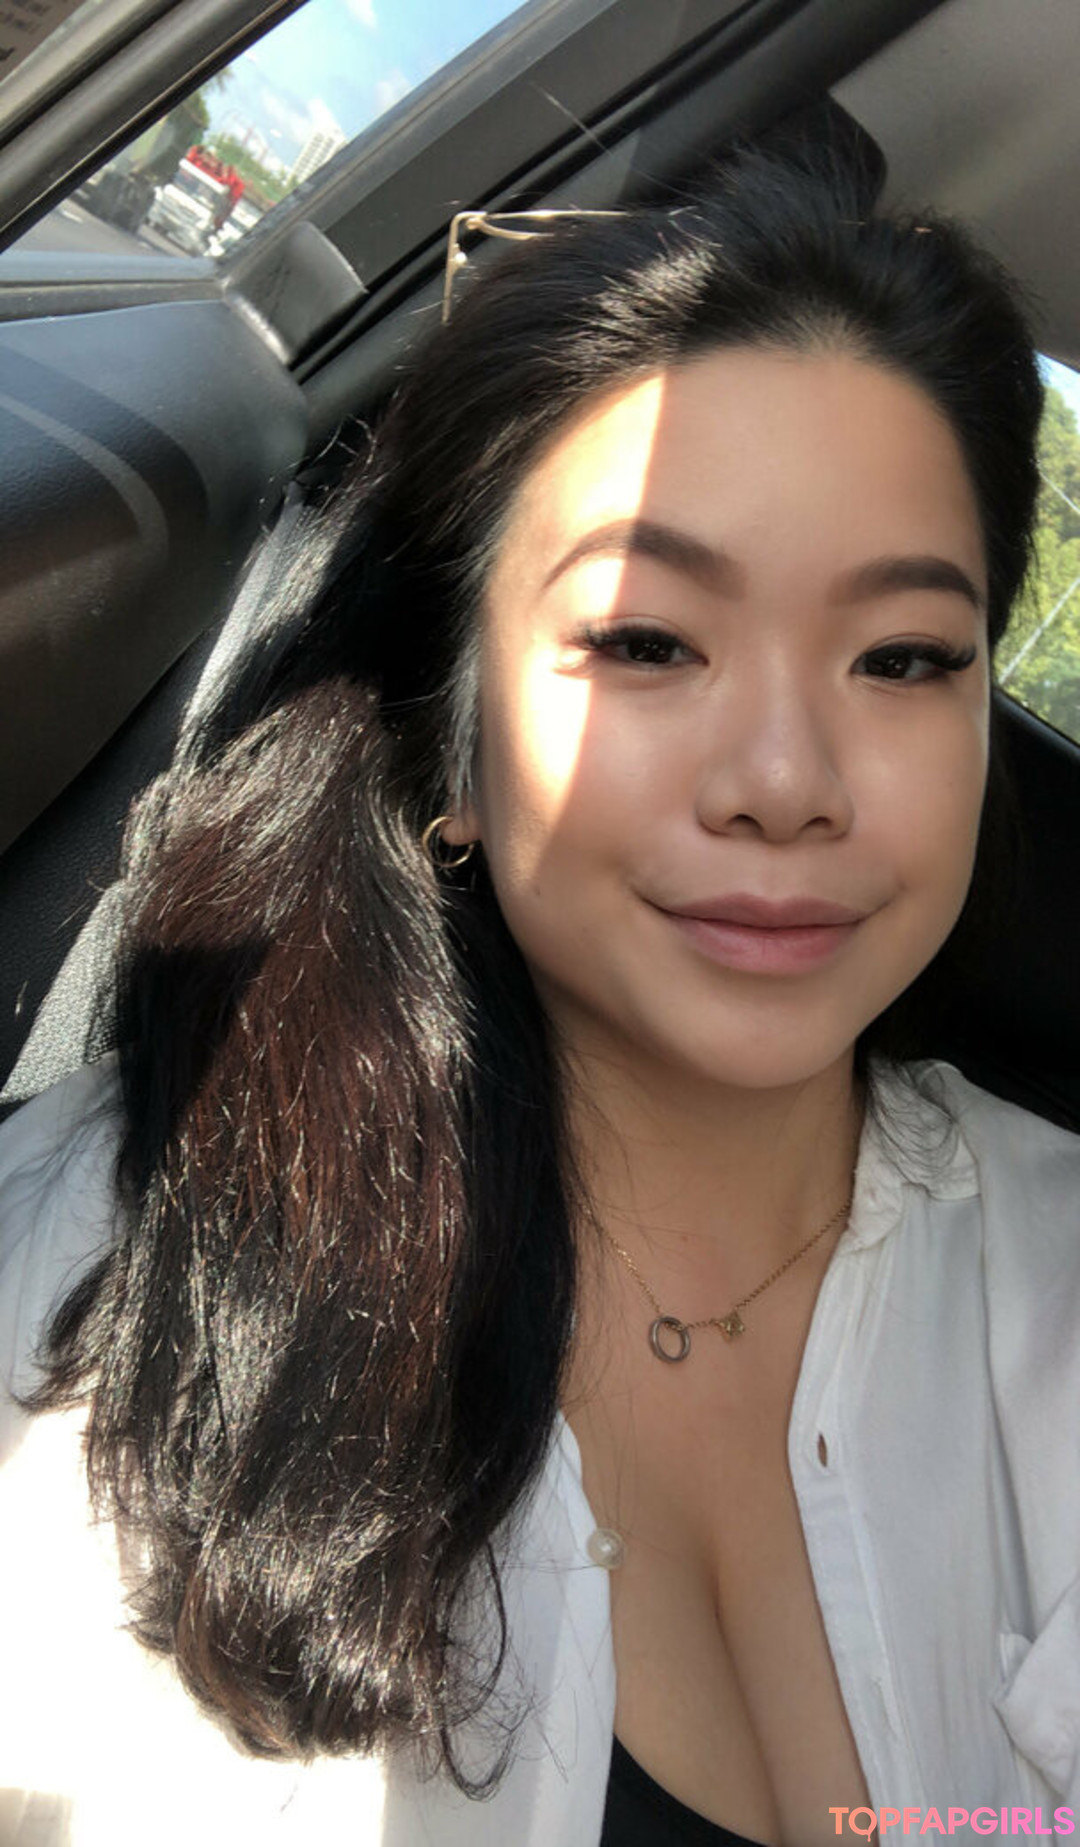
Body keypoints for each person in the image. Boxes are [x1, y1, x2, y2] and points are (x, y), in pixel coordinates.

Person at [2, 141, 1078, 1847]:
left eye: (902, 659)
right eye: (648, 641)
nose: (788, 781)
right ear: (453, 738)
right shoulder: (108, 1254)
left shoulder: (1058, 1272)